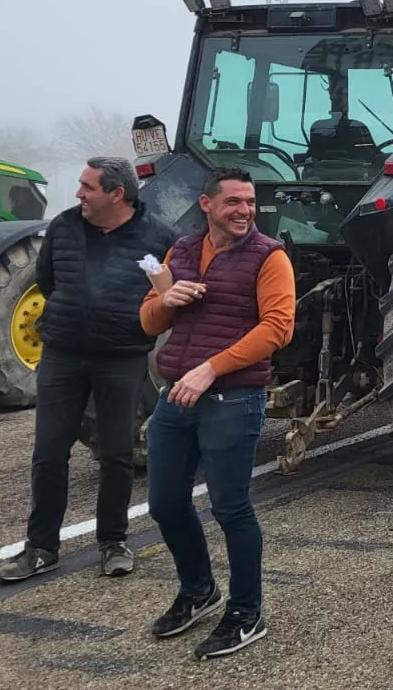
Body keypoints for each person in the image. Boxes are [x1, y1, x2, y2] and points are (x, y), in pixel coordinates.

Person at [0, 157, 177, 584]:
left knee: (116, 453)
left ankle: (113, 542)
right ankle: (41, 548)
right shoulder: (64, 227)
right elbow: (48, 281)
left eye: (88, 187)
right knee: (49, 453)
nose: (78, 194)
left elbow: (166, 293)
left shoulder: (159, 237)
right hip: (63, 356)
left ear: (117, 194)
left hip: (121, 357)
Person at [137, 167, 296, 660]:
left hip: (233, 398)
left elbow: (278, 328)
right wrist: (166, 299)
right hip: (177, 396)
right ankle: (199, 590)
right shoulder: (181, 251)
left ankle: (247, 613)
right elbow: (149, 322)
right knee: (165, 503)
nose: (245, 210)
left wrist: (211, 369)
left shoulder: (270, 256)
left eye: (250, 202)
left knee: (230, 508)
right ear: (206, 205)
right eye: (233, 202)